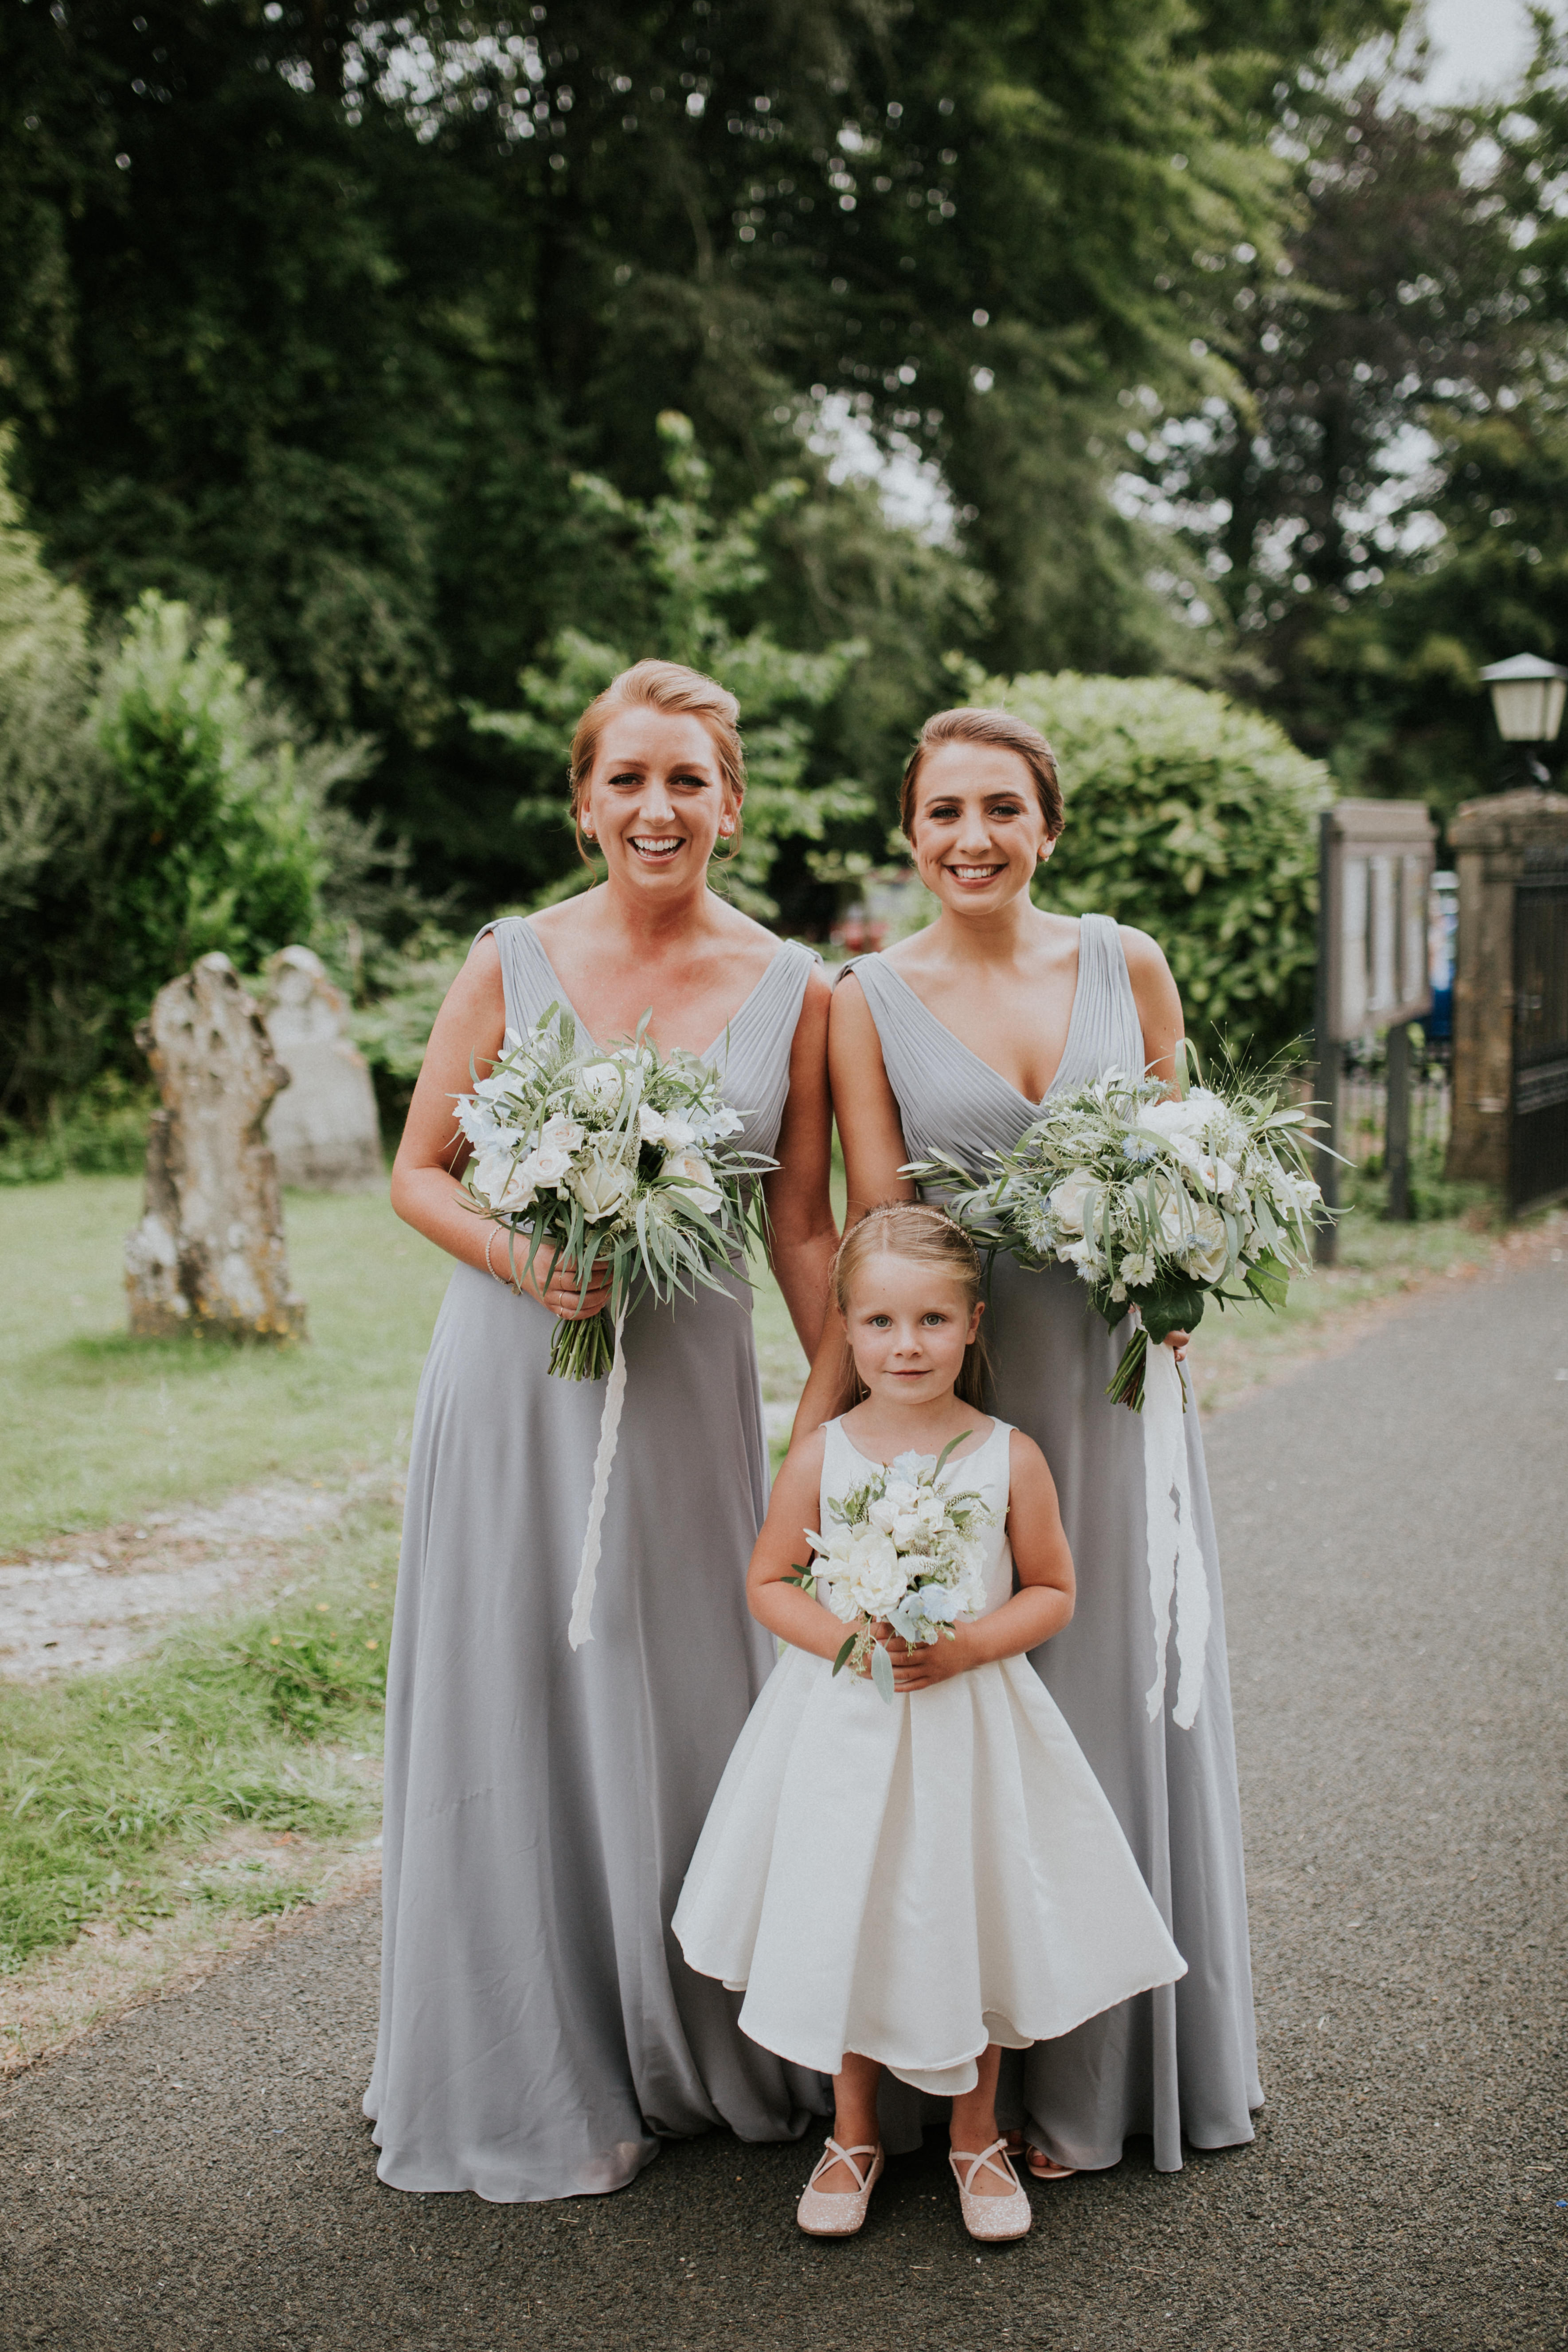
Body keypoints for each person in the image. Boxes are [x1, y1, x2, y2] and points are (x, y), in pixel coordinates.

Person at [365, 659, 837, 2202]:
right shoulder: (509, 960)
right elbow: (418, 1168)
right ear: (582, 802)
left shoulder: (797, 989)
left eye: (686, 780)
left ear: (731, 804)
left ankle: (697, 2020)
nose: (656, 807)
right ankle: (519, 2041)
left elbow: (801, 1230)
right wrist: (527, 1253)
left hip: (691, 1397)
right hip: (519, 1379)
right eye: (626, 779)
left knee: (687, 1682)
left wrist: (856, 1418)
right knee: (513, 1689)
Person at [805, 704, 1262, 2179]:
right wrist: (854, 1424)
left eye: (1001, 808)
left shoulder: (1124, 962)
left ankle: (1118, 2080)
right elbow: (884, 1230)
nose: (972, 837)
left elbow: (1194, 1157)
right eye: (943, 812)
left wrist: (1183, 1270)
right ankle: (980, 2088)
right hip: (966, 1401)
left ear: (1046, 828)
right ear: (910, 831)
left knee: (1118, 1683)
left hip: (1118, 1388)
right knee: (985, 1714)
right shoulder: (860, 995)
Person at [674, 1203, 1185, 2242]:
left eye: (931, 1321)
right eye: (878, 1323)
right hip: (843, 1728)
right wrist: (842, 1638)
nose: (905, 1346)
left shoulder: (1009, 1456)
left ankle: (974, 2134)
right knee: (847, 1917)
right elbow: (768, 1581)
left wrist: (966, 1644)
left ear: (972, 1323)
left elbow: (1052, 1590)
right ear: (845, 1328)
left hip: (968, 1726)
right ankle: (852, 2131)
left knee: (972, 1914)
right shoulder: (824, 1454)